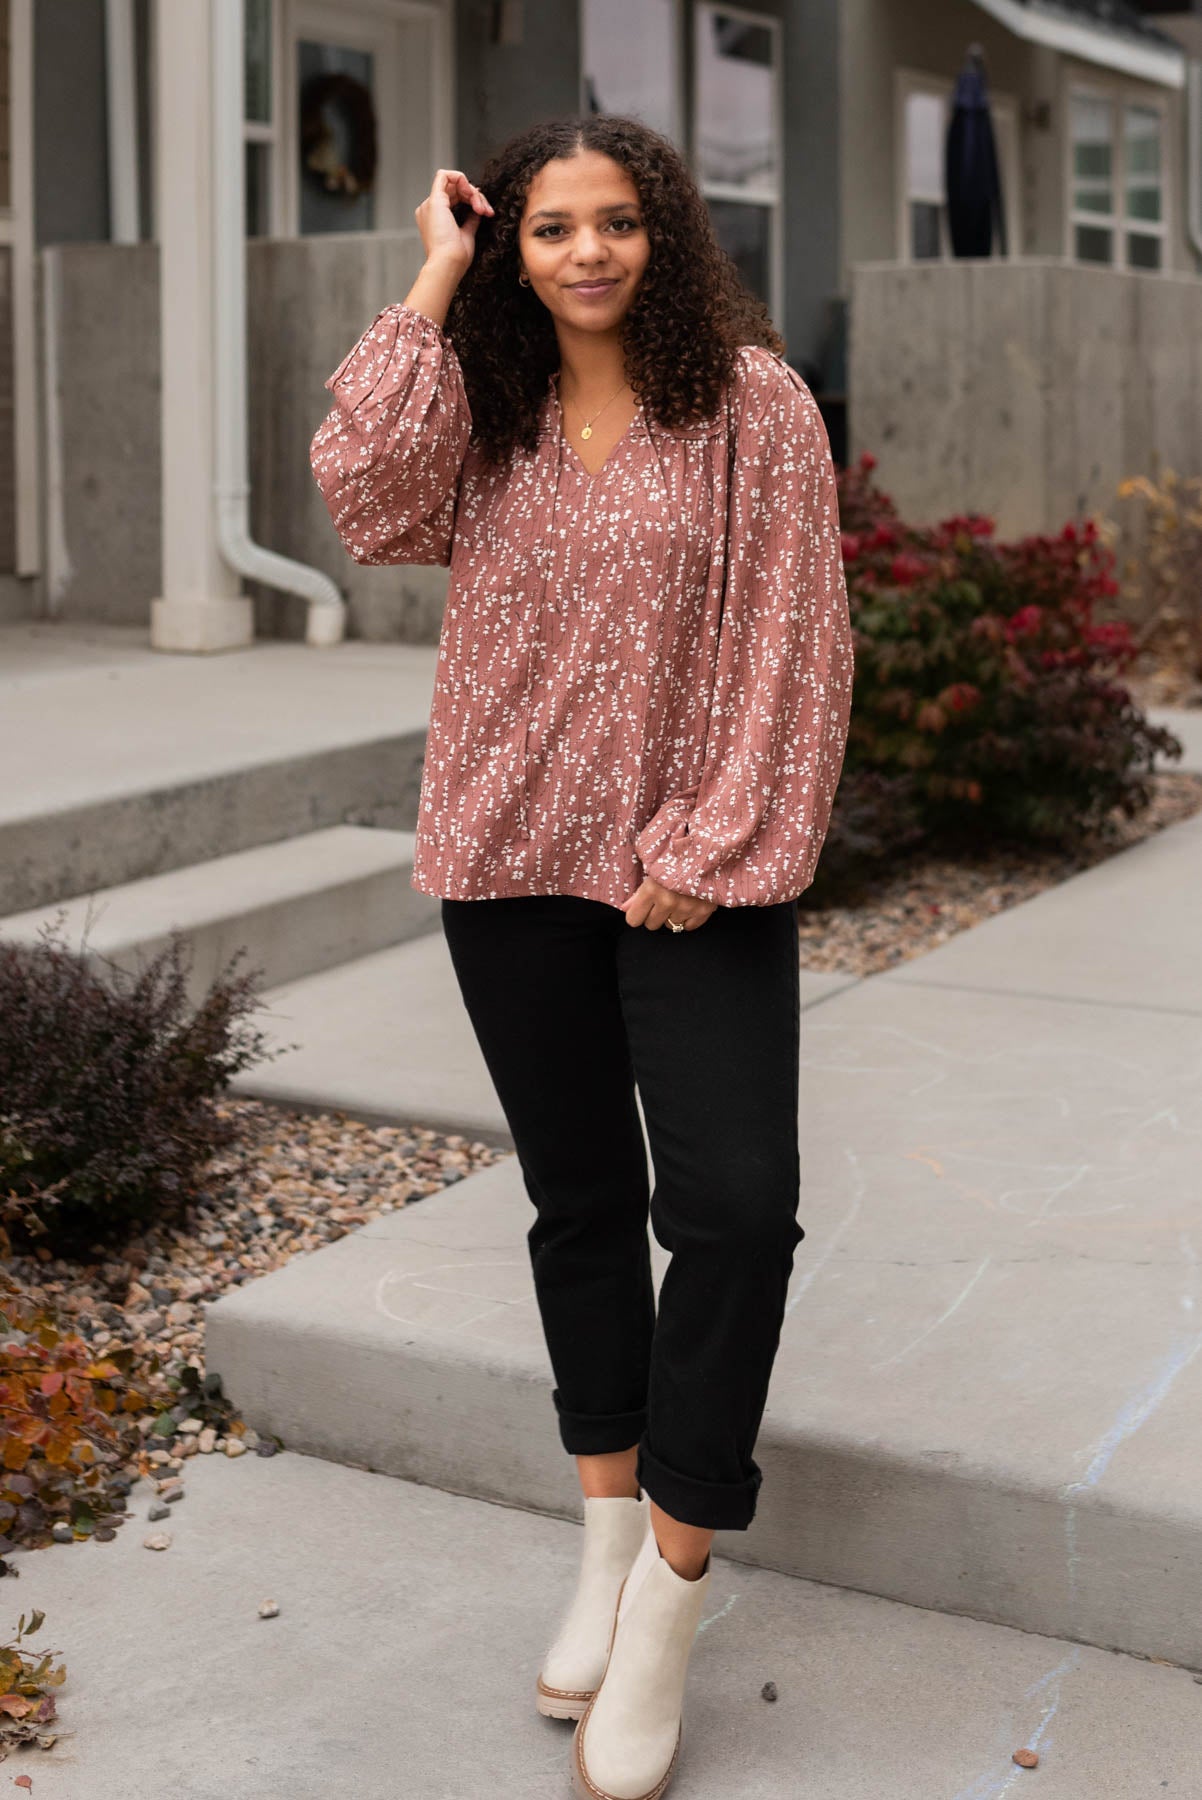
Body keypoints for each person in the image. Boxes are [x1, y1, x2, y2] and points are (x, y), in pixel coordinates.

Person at [310, 113, 854, 1800]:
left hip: (687, 882)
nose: (589, 253)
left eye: (618, 222)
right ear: (515, 245)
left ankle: (675, 1601)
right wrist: (432, 272)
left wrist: (709, 845)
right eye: (550, 228)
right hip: (505, 863)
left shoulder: (750, 406)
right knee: (578, 1208)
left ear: (665, 234)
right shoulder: (478, 411)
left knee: (737, 1214)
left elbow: (797, 638)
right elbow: (361, 498)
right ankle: (603, 1550)